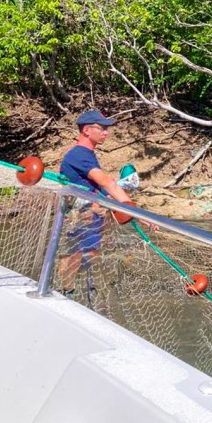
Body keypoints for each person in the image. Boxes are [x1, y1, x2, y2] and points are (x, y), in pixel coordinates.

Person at [58, 110, 134, 296]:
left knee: (88, 254)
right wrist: (130, 208)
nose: (106, 132)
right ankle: (67, 293)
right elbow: (106, 182)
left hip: (91, 217)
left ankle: (82, 292)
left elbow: (93, 185)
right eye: (102, 128)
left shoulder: (88, 154)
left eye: (107, 128)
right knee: (74, 254)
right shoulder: (79, 154)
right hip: (80, 217)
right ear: (86, 130)